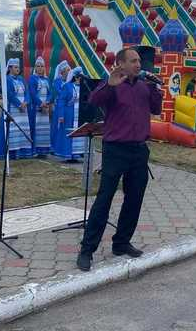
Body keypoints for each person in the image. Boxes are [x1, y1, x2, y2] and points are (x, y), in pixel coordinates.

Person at [77, 47, 163, 272]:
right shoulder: (113, 84)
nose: (138, 64)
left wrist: (155, 88)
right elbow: (93, 101)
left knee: (134, 199)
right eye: (133, 61)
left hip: (139, 150)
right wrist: (109, 84)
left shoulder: (145, 86)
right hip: (115, 150)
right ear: (121, 64)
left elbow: (156, 109)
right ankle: (87, 250)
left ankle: (121, 243)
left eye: (139, 61)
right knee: (104, 199)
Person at [0, 59, 33, 159]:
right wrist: (19, 105)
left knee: (22, 129)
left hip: (23, 110)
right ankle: (12, 153)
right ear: (10, 68)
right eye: (15, 67)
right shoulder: (7, 79)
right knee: (12, 129)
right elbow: (9, 94)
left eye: (18, 67)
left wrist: (26, 102)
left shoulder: (21, 79)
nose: (18, 69)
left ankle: (22, 152)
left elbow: (27, 92)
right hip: (13, 109)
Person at [53, 67, 86, 161]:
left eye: (82, 77)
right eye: (79, 77)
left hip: (80, 114)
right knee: (69, 132)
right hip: (69, 114)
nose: (80, 79)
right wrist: (61, 115)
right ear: (75, 77)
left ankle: (77, 153)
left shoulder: (84, 87)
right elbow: (61, 101)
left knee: (80, 131)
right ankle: (68, 154)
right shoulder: (67, 86)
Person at [28, 57, 52, 156]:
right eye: (38, 66)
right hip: (36, 108)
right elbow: (32, 93)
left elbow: (50, 93)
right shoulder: (32, 78)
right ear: (35, 67)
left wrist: (47, 102)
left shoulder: (47, 79)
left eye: (42, 66)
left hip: (45, 108)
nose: (40, 68)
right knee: (36, 128)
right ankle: (35, 149)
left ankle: (44, 150)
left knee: (44, 128)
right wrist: (40, 103)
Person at [51, 60, 71, 153]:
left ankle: (63, 147)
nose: (69, 72)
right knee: (57, 127)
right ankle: (54, 147)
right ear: (62, 72)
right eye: (67, 70)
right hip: (58, 108)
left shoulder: (70, 81)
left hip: (68, 108)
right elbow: (59, 93)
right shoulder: (57, 81)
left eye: (69, 70)